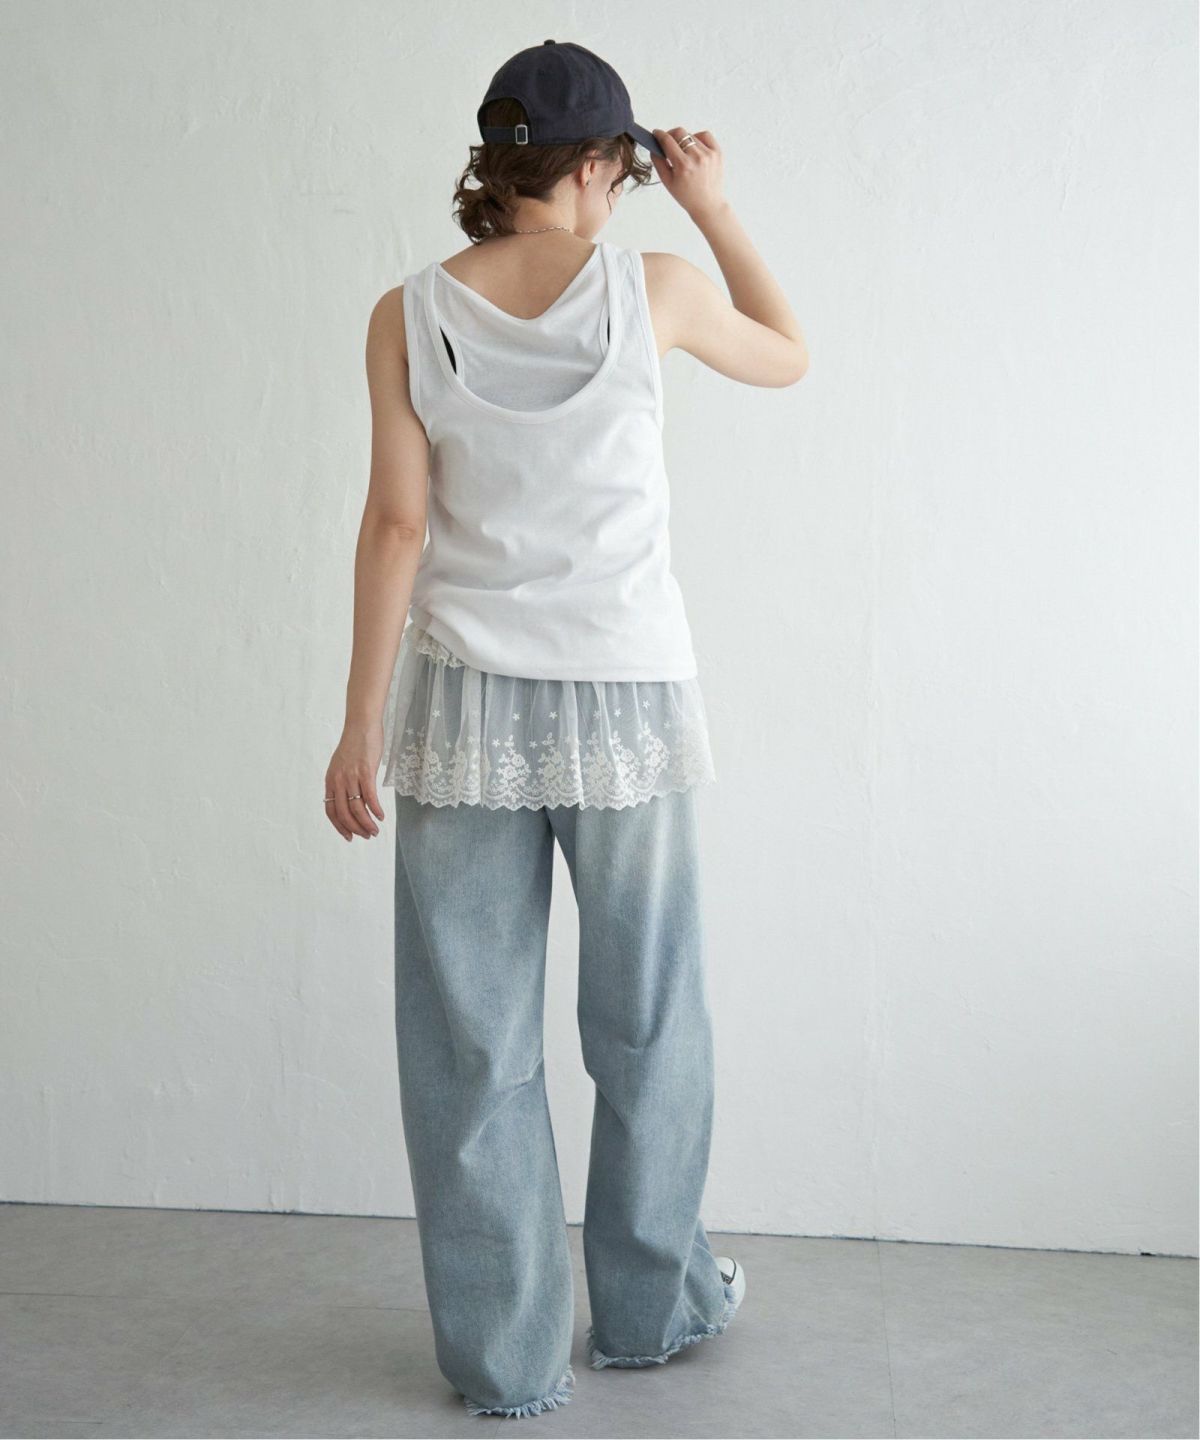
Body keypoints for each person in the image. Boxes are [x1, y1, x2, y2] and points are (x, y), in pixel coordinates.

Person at [323, 40, 808, 1421]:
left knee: (471, 1042)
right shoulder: (655, 288)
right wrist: (715, 209)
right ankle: (651, 1310)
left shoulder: (407, 313)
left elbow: (397, 525)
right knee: (648, 1018)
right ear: (598, 165)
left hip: (462, 704)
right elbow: (789, 354)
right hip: (626, 697)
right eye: (627, 174)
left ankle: (506, 1360)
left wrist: (359, 727)